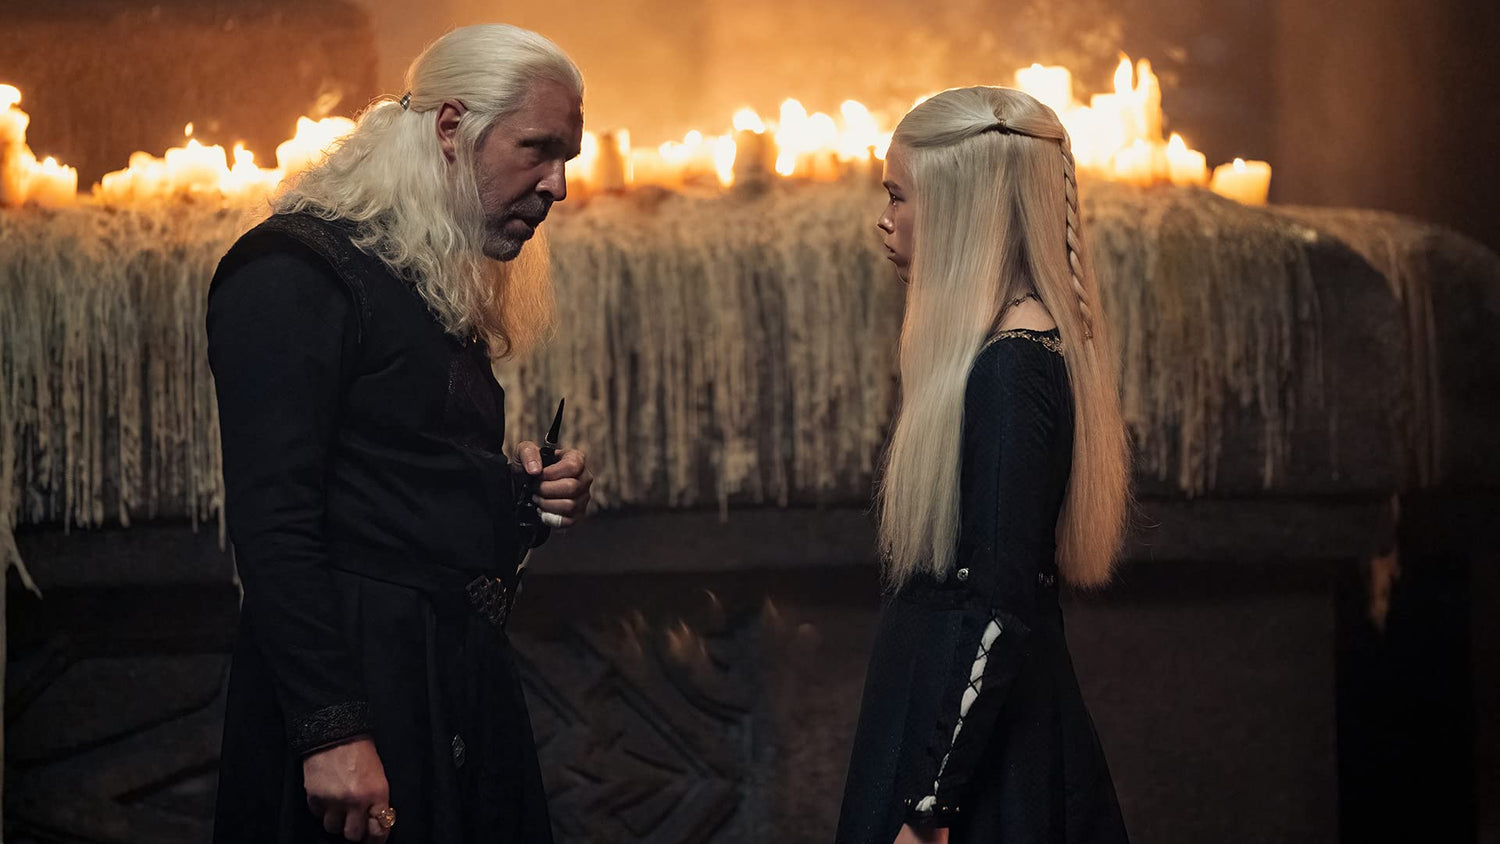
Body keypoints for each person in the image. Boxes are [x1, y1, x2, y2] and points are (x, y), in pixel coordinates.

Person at [207, 24, 593, 844]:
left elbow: (393, 481)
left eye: (567, 158)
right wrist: (331, 730)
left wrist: (520, 497)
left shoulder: (422, 270)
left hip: (447, 676)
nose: (558, 185)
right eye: (538, 149)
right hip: (360, 681)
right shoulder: (292, 273)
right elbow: (274, 523)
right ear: (451, 127)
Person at [835, 86, 1132, 844]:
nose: (884, 220)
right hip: (960, 739)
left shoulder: (1012, 371)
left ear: (962, 207)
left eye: (898, 196)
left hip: (978, 772)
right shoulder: (1007, 355)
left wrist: (930, 807)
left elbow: (999, 609)